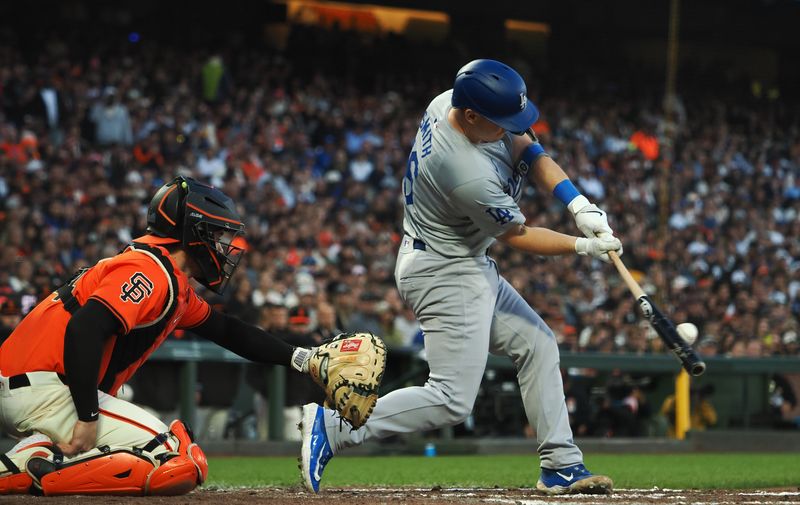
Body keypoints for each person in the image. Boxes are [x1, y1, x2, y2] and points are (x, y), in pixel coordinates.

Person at [300, 59, 621, 495]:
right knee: (451, 399)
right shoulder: (464, 173)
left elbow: (529, 148)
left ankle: (561, 464)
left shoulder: (450, 101)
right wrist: (581, 246)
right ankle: (336, 427)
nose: (510, 129)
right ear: (471, 116)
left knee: (538, 344)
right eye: (500, 121)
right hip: (444, 271)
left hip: (460, 260)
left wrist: (578, 204)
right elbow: (519, 235)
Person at [0, 176, 320, 496]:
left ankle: (42, 453)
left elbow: (229, 331)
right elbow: (84, 328)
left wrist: (305, 358)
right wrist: (87, 416)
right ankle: (24, 467)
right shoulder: (149, 270)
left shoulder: (165, 275)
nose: (224, 248)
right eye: (217, 234)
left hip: (34, 386)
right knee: (174, 460)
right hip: (43, 388)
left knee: (173, 457)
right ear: (194, 233)